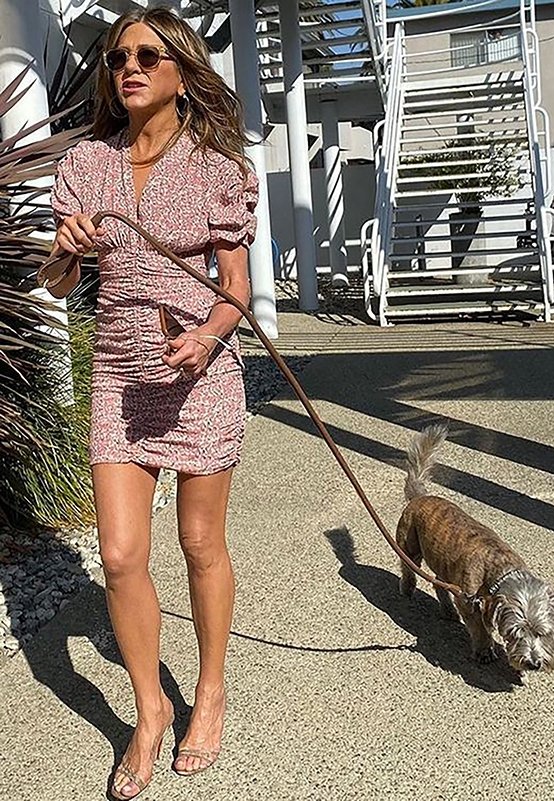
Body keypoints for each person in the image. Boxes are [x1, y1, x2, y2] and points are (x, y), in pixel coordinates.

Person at [50, 8, 258, 799]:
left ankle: (210, 687)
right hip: (119, 373)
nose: (128, 67)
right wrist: (67, 250)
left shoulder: (215, 167)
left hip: (197, 374)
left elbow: (234, 289)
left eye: (147, 55)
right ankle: (150, 711)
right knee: (119, 555)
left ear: (183, 71)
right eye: (117, 58)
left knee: (200, 543)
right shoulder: (86, 163)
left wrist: (207, 337)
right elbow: (57, 282)